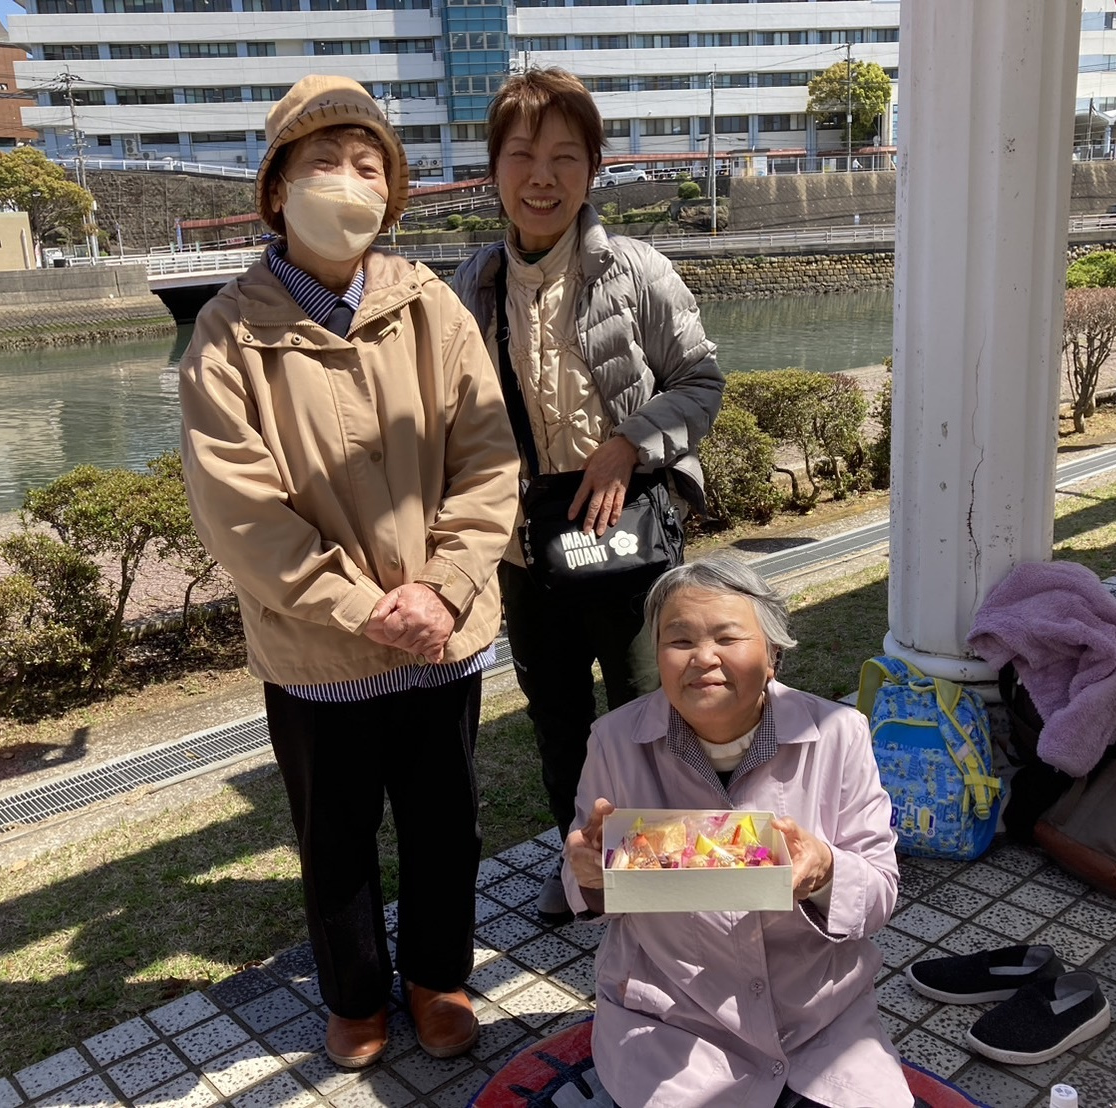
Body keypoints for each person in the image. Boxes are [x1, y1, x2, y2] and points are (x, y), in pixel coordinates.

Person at [178, 75, 519, 1070]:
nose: (348, 181)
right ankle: (356, 995)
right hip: (318, 647)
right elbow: (240, 511)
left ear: (392, 193)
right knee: (334, 839)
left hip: (442, 633)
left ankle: (437, 977)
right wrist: (363, 607)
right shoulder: (228, 333)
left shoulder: (432, 306)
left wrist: (444, 587)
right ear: (275, 191)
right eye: (322, 161)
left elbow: (487, 460)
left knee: (445, 823)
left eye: (369, 165)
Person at [450, 68, 724, 923]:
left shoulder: (636, 271)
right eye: (522, 155)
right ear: (493, 169)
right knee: (559, 721)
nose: (542, 177)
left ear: (593, 168)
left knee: (652, 709)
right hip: (526, 550)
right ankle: (590, 868)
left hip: (630, 535)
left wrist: (627, 443)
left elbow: (700, 382)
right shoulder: (471, 286)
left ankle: (670, 877)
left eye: (565, 156)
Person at [563, 558, 915, 1108]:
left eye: (727, 637)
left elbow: (878, 894)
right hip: (672, 1019)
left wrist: (824, 871)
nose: (703, 658)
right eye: (680, 640)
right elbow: (588, 886)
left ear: (772, 655)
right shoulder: (613, 741)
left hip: (818, 1017)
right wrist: (588, 873)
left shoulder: (839, 734)